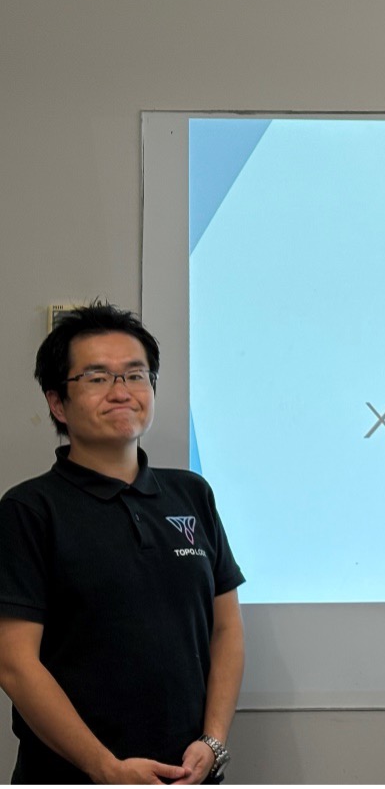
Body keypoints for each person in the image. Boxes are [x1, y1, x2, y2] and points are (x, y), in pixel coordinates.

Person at [0, 303, 245, 784]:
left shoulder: (192, 494)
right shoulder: (28, 510)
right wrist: (105, 767)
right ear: (57, 403)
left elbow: (226, 629)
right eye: (97, 378)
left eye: (135, 375)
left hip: (189, 772)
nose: (121, 392)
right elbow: (14, 663)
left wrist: (213, 741)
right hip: (74, 775)